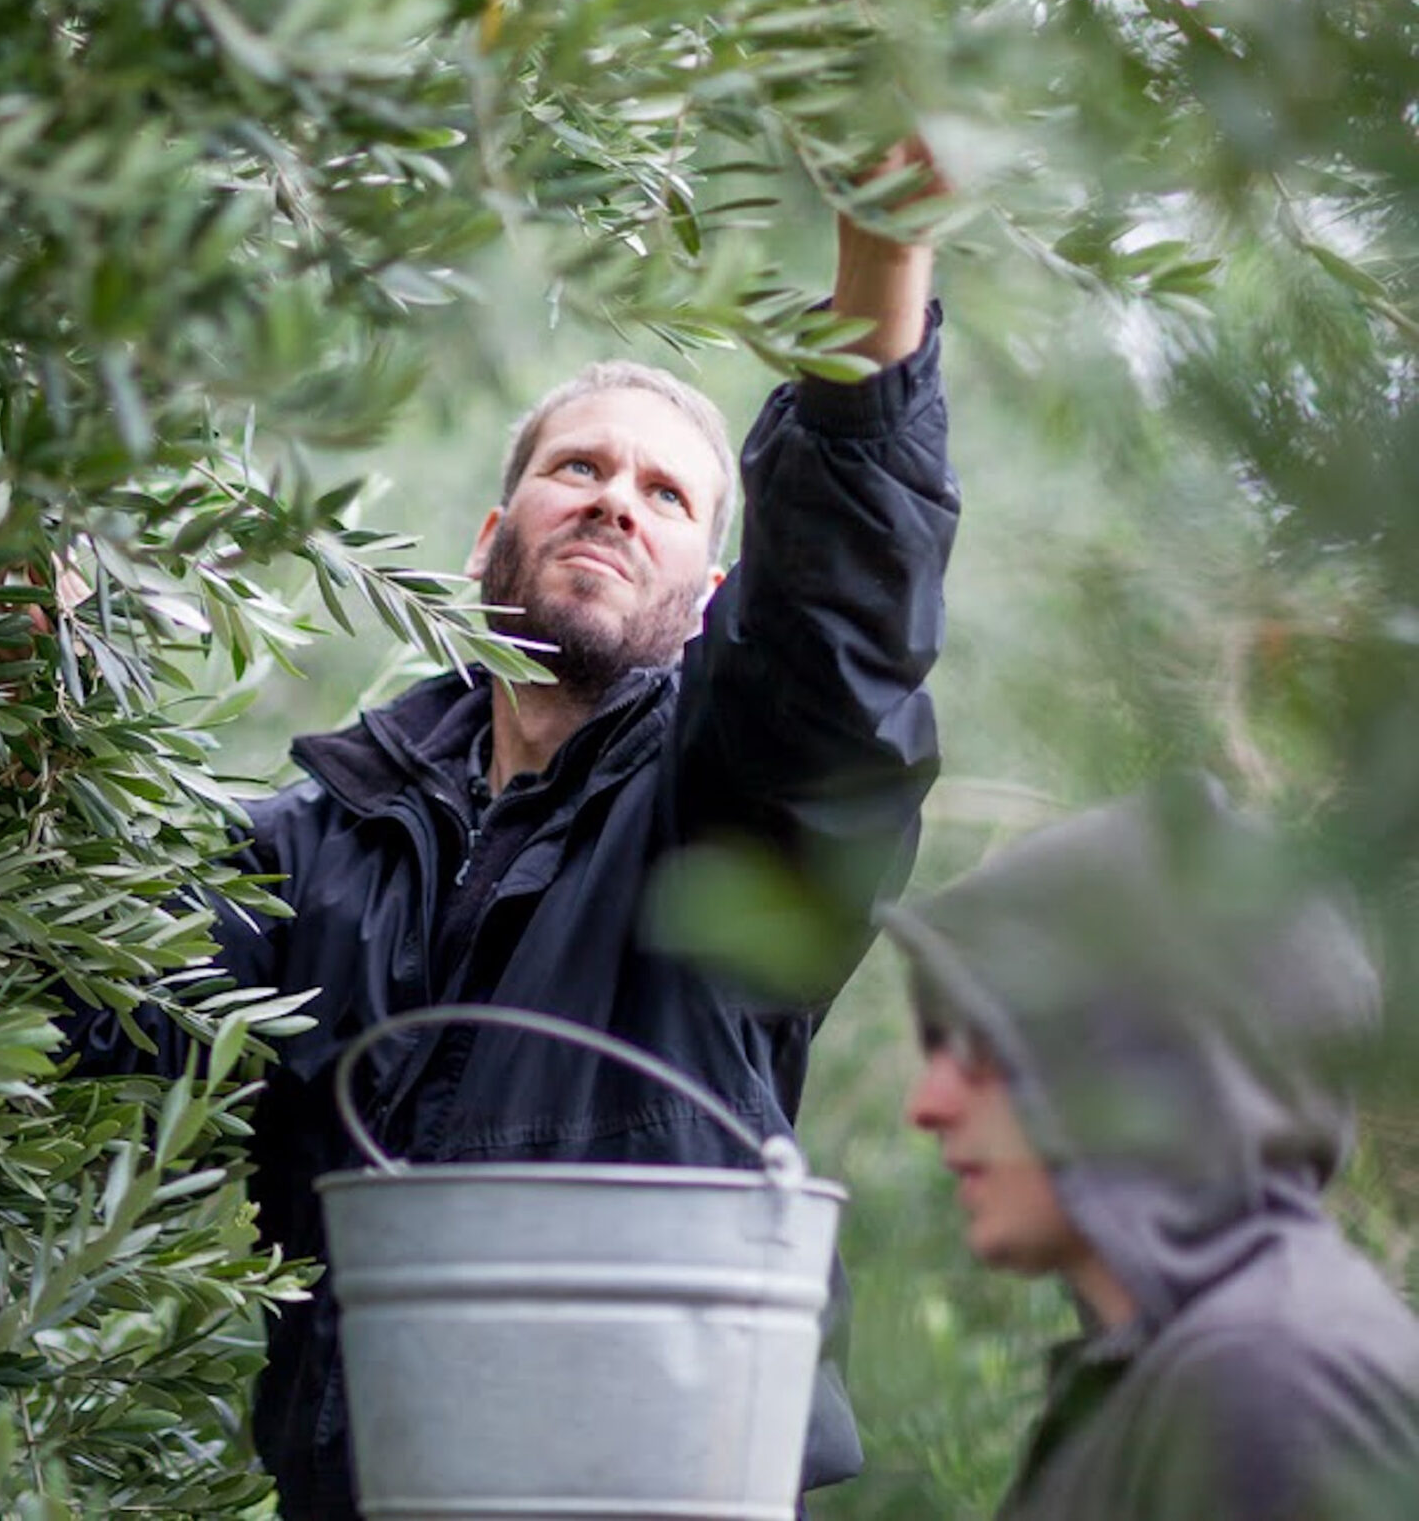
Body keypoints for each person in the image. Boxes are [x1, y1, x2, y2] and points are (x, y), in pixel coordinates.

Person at [58, 140, 961, 1517]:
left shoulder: (730, 819)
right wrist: (38, 668)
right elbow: (100, 995)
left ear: (715, 592)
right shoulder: (319, 842)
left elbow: (836, 640)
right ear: (493, 528)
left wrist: (882, 258)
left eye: (665, 494)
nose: (615, 497)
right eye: (579, 467)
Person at [886, 777, 1419, 1520]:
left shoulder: (1278, 1382)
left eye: (987, 1044)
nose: (928, 1104)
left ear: (1151, 1058)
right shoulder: (1169, 1378)